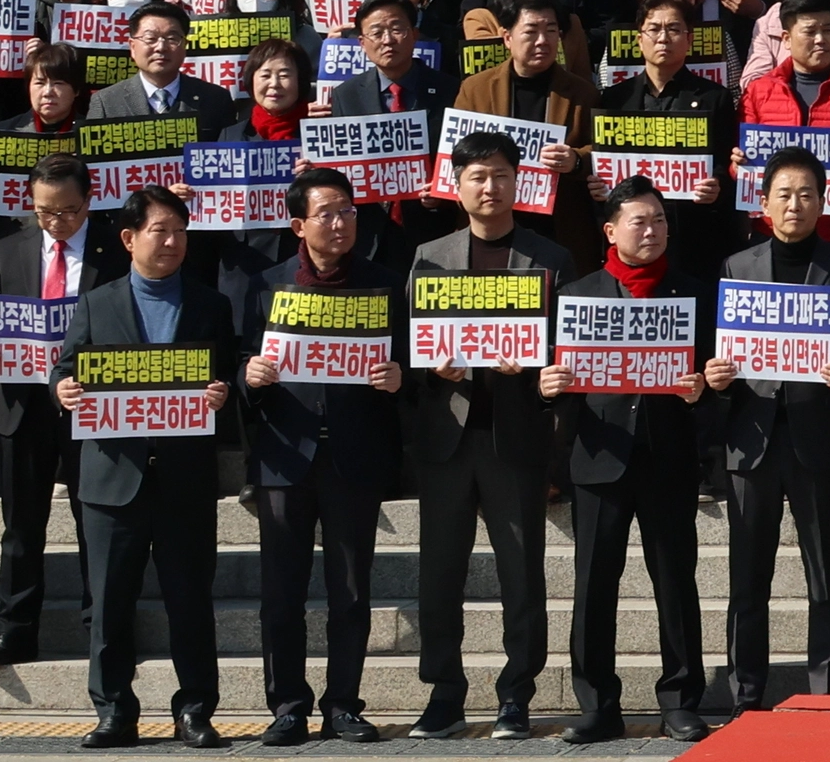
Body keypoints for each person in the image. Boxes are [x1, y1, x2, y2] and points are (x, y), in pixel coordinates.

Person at [401, 130, 567, 737]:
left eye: (500, 175)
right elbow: (407, 347)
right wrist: (430, 366)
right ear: (456, 185)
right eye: (476, 176)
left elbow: (567, 351)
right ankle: (444, 693)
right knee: (439, 572)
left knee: (522, 572)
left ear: (516, 181)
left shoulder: (549, 259)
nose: (489, 186)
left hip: (516, 437)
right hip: (448, 436)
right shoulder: (429, 256)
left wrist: (533, 362)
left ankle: (515, 694)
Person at [538, 178, 716, 743]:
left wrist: (700, 390)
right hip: (599, 456)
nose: (652, 230)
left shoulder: (692, 293)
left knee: (675, 582)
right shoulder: (578, 294)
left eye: (660, 220)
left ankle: (681, 701)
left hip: (668, 456)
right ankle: (597, 704)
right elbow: (552, 377)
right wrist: (550, 386)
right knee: (594, 584)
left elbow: (717, 375)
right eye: (639, 221)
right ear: (610, 231)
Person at [58, 187, 233, 751]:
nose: (173, 242)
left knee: (190, 600)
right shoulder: (96, 302)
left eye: (181, 231)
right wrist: (61, 389)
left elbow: (227, 375)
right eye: (161, 231)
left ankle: (195, 709)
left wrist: (220, 393)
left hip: (183, 477)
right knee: (109, 603)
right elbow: (65, 368)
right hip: (112, 478)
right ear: (130, 239)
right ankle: (114, 711)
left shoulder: (211, 304)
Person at [233, 166, 403, 746]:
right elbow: (235, 359)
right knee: (282, 589)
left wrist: (398, 374)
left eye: (349, 211)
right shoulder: (266, 284)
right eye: (327, 213)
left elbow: (412, 356)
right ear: (298, 223)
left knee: (351, 590)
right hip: (285, 457)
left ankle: (343, 704)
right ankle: (286, 705)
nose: (340, 223)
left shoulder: (383, 283)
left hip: (355, 456)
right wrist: (249, 376)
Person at [715, 146, 830, 707]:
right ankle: (745, 695)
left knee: (826, 577)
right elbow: (719, 351)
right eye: (784, 194)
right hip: (751, 442)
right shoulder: (737, 267)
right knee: (747, 581)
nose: (795, 204)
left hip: (819, 440)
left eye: (807, 193)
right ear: (763, 202)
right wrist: (717, 373)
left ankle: (828, 696)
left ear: (825, 201)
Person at [0, 156, 104, 673]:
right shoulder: (8, 249)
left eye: (68, 211)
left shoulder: (115, 250)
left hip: (91, 406)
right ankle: (17, 628)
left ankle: (102, 627)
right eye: (45, 213)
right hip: (22, 406)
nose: (57, 223)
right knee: (21, 525)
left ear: (89, 201)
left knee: (96, 522)